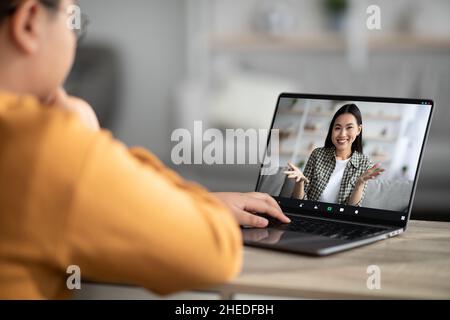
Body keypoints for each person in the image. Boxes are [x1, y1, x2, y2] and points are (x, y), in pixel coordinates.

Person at [0, 0, 290, 299]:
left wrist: (196, 205)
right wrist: (89, 135)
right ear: (29, 22)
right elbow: (214, 253)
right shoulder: (45, 143)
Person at [284, 104, 385, 206]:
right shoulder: (317, 154)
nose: (342, 134)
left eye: (349, 127)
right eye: (337, 128)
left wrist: (360, 183)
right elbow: (299, 203)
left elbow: (351, 209)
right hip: (311, 214)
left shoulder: (364, 163)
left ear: (358, 130)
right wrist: (300, 183)